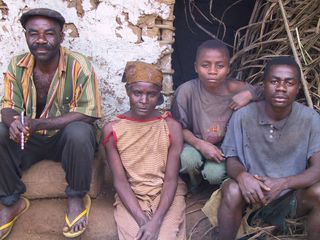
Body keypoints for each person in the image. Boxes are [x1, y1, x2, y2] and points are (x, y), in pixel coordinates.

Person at [0, 8, 101, 239]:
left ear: (61, 37)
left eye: (49, 33)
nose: (41, 40)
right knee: (1, 130)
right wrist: (14, 122)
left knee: (79, 131)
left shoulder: (79, 65)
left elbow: (89, 113)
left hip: (63, 141)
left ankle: (76, 197)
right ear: (26, 35)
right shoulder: (17, 65)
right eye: (33, 33)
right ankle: (10, 201)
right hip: (29, 139)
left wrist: (38, 123)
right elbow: (6, 106)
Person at [202, 56, 320, 239]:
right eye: (274, 81)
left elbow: (318, 168)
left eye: (289, 83)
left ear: (297, 88)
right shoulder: (243, 116)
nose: (281, 88)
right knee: (232, 189)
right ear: (264, 85)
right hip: (250, 197)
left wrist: (283, 184)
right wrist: (243, 177)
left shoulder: (310, 119)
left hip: (290, 198)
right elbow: (232, 158)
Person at [103, 61, 187, 240]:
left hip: (165, 193)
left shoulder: (171, 127)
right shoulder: (113, 130)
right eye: (137, 93)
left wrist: (156, 221)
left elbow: (171, 180)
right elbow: (121, 182)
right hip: (132, 195)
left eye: (151, 95)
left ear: (159, 96)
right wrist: (143, 220)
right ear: (127, 92)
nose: (143, 100)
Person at [171, 39, 261, 191]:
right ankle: (194, 183)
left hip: (223, 147)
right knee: (188, 160)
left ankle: (211, 186)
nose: (212, 71)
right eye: (205, 65)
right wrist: (200, 144)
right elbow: (177, 126)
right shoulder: (186, 91)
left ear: (228, 69)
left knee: (214, 174)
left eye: (220, 66)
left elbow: (267, 92)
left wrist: (250, 93)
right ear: (196, 67)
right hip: (194, 142)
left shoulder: (236, 88)